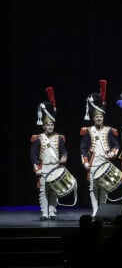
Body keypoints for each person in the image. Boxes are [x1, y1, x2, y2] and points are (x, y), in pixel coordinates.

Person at [80, 79, 120, 216]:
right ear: (93, 117)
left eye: (100, 116)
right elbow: (83, 148)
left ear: (103, 117)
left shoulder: (110, 130)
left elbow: (116, 145)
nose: (98, 118)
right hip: (92, 162)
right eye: (96, 116)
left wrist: (113, 153)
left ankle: (102, 210)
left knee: (104, 187)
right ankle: (95, 210)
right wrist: (85, 161)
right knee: (93, 187)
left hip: (105, 162)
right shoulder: (88, 130)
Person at [30, 87, 68, 220]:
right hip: (44, 167)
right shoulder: (38, 138)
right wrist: (36, 169)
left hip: (56, 168)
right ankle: (44, 213)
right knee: (43, 192)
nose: (50, 127)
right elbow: (33, 155)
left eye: (52, 125)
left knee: (54, 191)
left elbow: (64, 152)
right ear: (43, 126)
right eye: (48, 125)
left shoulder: (59, 138)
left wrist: (64, 158)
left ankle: (52, 212)